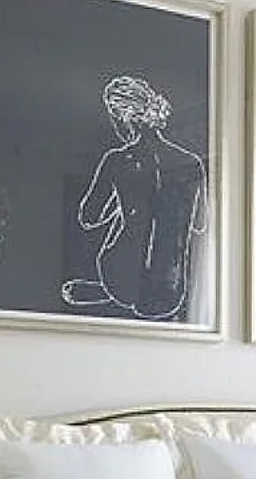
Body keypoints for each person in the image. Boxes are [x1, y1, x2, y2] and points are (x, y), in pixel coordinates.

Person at [62, 74, 208, 321]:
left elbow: (89, 217)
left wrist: (121, 203)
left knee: (121, 254)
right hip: (172, 289)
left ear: (125, 118)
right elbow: (200, 224)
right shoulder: (191, 163)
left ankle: (108, 293)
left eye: (113, 117)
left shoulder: (118, 161)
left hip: (122, 279)